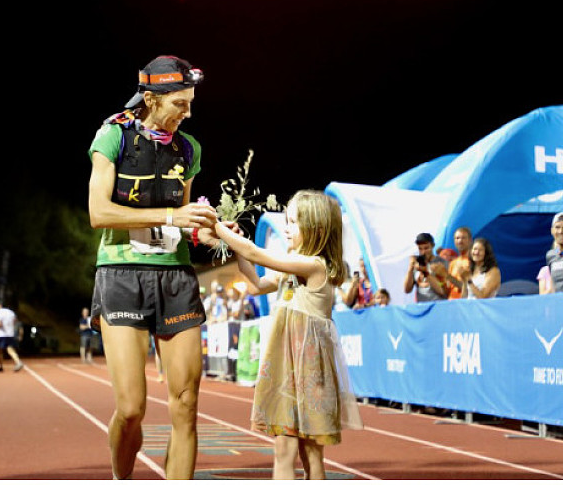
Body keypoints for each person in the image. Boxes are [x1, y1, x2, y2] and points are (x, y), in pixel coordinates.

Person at [86, 54, 217, 480]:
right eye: (180, 103)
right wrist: (170, 216)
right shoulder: (113, 137)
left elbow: (184, 220)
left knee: (187, 404)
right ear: (151, 99)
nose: (187, 113)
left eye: (190, 103)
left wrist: (207, 231)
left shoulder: (189, 148)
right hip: (121, 274)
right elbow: (99, 213)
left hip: (175, 276)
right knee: (131, 409)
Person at [212, 190, 363, 479]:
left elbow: (256, 253)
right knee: (285, 448)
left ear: (316, 229)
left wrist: (216, 226)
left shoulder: (315, 265)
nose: (286, 229)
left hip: (308, 370)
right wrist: (236, 247)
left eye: (292, 223)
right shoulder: (293, 263)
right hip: (285, 369)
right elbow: (256, 284)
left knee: (311, 454)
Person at [403, 233, 449, 302]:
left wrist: (425, 271)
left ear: (433, 246)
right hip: (422, 306)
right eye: (420, 249)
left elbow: (444, 292)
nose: (423, 252)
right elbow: (407, 290)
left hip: (438, 304)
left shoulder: (442, 263)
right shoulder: (417, 263)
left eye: (426, 248)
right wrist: (410, 268)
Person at [443, 226, 474, 299]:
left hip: (465, 303)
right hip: (451, 302)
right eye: (457, 238)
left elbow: (469, 288)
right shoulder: (453, 263)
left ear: (470, 240)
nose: (460, 241)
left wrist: (447, 276)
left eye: (463, 238)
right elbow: (448, 289)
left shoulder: (474, 261)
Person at [0, 301, 24, 372]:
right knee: (10, 349)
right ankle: (18, 361)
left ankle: (0, 366)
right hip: (10, 333)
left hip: (1, 334)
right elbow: (15, 321)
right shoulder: (11, 312)